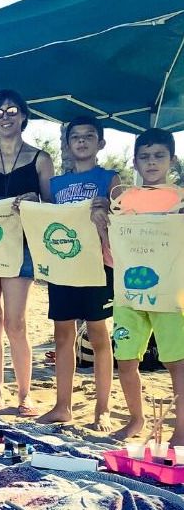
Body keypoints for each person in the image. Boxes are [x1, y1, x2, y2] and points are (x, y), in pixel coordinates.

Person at [0, 90, 55, 417]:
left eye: (11, 111)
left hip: (22, 248)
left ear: (23, 116)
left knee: (15, 323)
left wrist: (35, 198)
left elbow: (52, 208)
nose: (5, 117)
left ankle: (24, 394)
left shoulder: (40, 159)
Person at [38, 115, 119, 430]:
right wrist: (30, 205)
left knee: (99, 335)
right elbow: (46, 221)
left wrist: (108, 210)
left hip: (97, 268)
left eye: (89, 136)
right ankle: (63, 406)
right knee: (63, 336)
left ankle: (103, 409)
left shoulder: (110, 179)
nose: (82, 141)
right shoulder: (56, 185)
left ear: (100, 143)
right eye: (76, 137)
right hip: (62, 268)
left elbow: (122, 220)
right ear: (68, 145)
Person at [110, 128, 184, 442]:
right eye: (144, 157)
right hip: (127, 293)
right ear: (135, 162)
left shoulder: (180, 199)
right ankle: (136, 419)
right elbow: (109, 243)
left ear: (172, 159)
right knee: (126, 359)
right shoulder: (123, 199)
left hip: (171, 294)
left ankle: (180, 430)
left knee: (176, 362)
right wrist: (101, 217)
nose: (151, 163)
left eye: (158, 156)